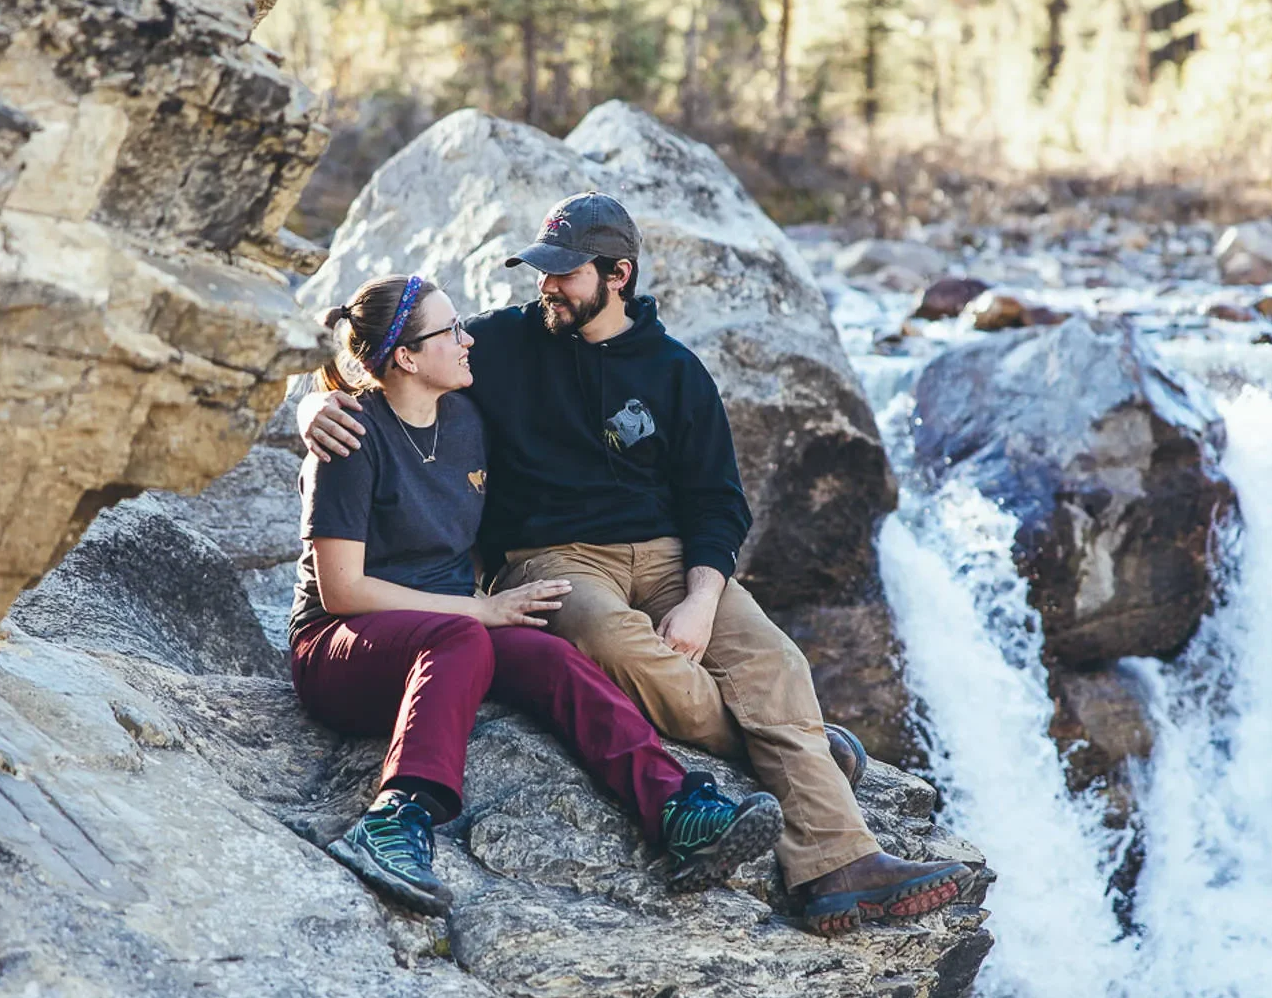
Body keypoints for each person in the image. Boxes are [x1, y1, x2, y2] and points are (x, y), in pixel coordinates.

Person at [301, 197, 972, 936]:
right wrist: (313, 408)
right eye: (541, 271)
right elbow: (378, 363)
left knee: (776, 662)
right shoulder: (493, 349)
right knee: (614, 644)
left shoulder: (675, 373)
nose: (546, 286)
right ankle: (796, 748)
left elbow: (719, 503)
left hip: (668, 558)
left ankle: (838, 869)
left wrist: (700, 598)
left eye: (564, 274)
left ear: (617, 275)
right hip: (552, 560)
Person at [290, 269, 782, 919]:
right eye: (452, 330)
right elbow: (342, 590)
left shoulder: (465, 419)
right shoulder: (351, 437)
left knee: (552, 657)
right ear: (406, 356)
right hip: (342, 649)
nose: (469, 341)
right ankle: (393, 819)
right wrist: (481, 609)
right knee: (467, 636)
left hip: (449, 646)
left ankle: (677, 809)